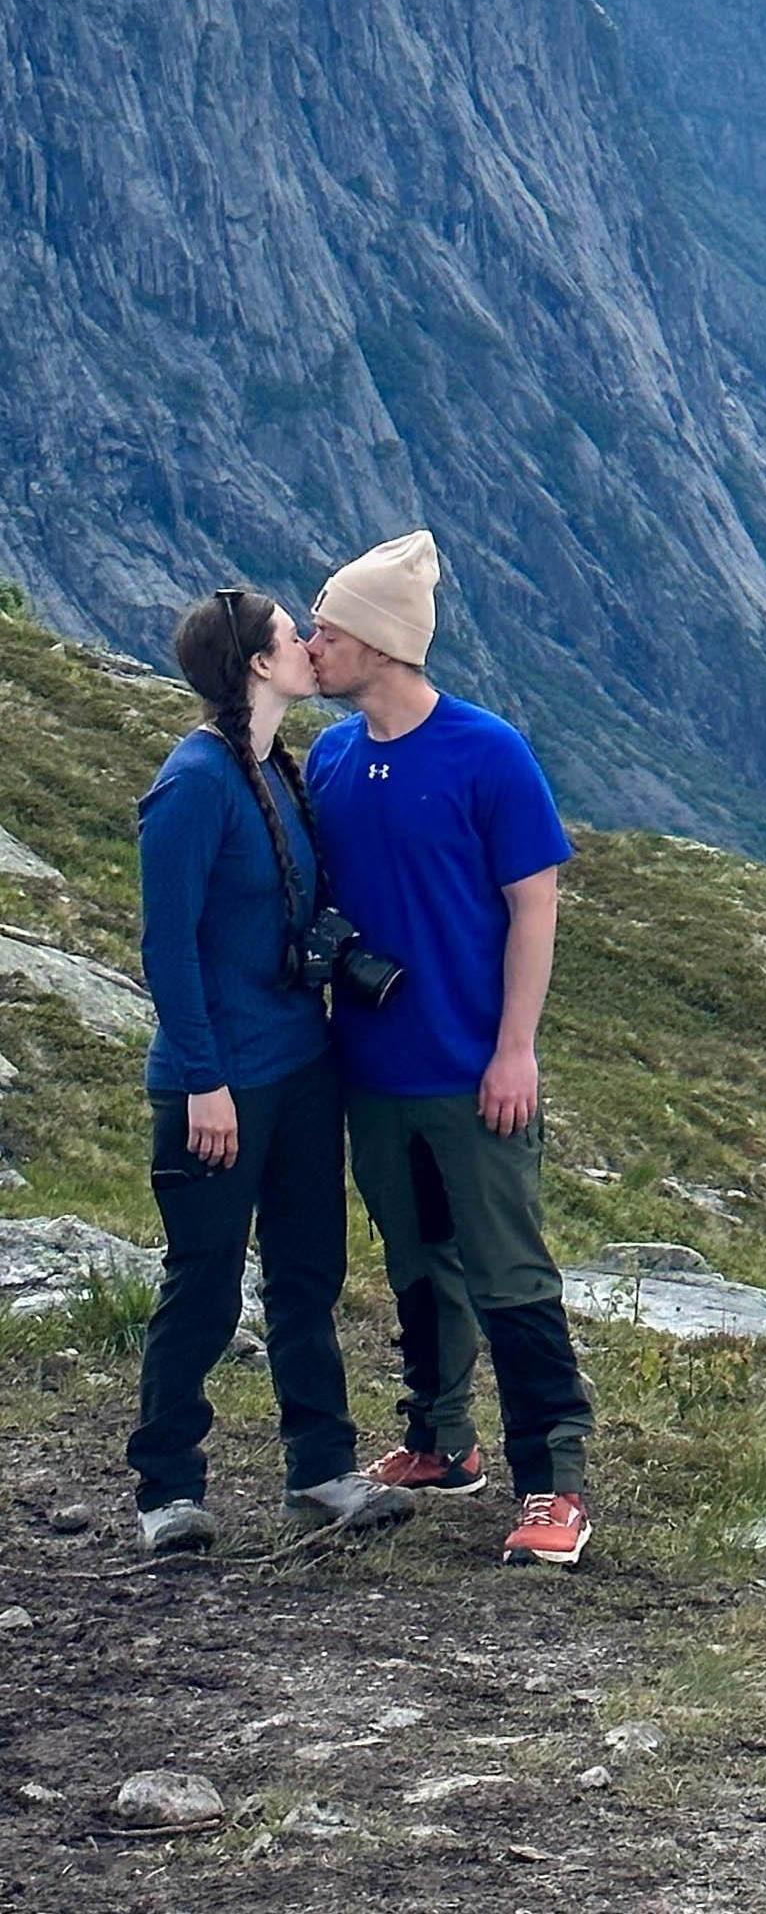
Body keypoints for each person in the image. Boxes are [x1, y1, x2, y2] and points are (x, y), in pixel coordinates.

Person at [301, 530, 597, 1572]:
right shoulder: (332, 756)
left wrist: (514, 1050)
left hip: (473, 1073)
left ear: (381, 644)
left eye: (328, 627)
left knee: (509, 1272)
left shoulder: (487, 752)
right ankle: (439, 1442)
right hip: (373, 1075)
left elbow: (534, 907)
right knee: (417, 1262)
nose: (311, 641)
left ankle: (555, 1483)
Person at [127, 587, 413, 1554]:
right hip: (221, 1083)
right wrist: (203, 1081)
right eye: (296, 636)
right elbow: (166, 945)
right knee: (202, 1283)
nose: (311, 647)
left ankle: (321, 1471)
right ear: (257, 664)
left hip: (299, 1069)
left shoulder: (277, 771)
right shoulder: (195, 781)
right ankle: (166, 1491)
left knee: (306, 1274)